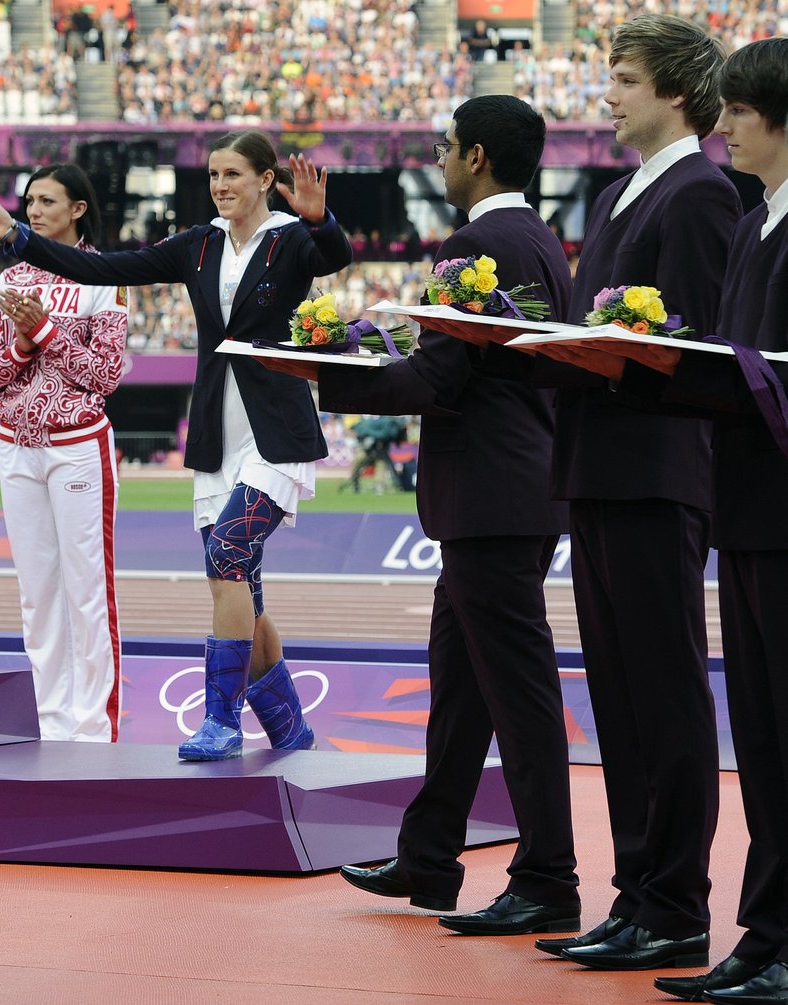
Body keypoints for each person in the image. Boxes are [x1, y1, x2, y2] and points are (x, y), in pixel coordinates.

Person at [267, 95, 581, 933]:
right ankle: (431, 853)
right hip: (506, 494)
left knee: (517, 698)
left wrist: (322, 368)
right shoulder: (540, 241)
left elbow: (437, 380)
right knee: (464, 693)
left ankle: (550, 875)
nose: (438, 159)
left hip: (490, 499)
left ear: (475, 155)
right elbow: (465, 369)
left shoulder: (476, 245)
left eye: (444, 147)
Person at [0, 131, 353, 762]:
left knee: (227, 554)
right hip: (218, 434)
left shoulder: (291, 238)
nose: (219, 185)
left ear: (266, 179)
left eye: (233, 174)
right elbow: (105, 267)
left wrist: (320, 218)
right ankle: (291, 732)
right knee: (243, 586)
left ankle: (220, 720)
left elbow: (334, 254)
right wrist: (16, 239)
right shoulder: (198, 245)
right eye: (214, 173)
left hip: (277, 430)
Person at [546, 37, 788, 1004]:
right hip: (621, 462)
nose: (605, 98)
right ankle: (649, 892)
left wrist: (625, 356)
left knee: (675, 693)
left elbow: (702, 341)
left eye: (622, 82)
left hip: (670, 468)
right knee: (634, 699)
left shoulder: (702, 196)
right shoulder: (623, 196)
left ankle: (681, 898)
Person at [0, 163, 129, 743]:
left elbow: (105, 374)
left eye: (47, 201)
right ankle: (49, 722)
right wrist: (20, 340)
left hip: (77, 447)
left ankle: (93, 731)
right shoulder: (10, 281)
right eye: (29, 201)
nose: (33, 211)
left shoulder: (104, 277)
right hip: (16, 450)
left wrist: (45, 334)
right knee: (37, 595)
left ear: (78, 209)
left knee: (88, 592)